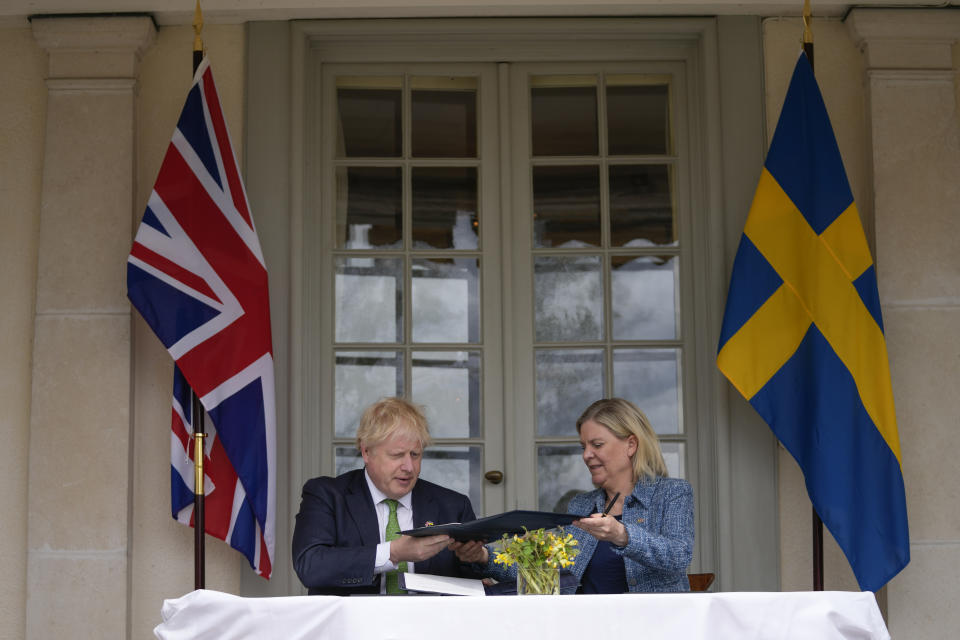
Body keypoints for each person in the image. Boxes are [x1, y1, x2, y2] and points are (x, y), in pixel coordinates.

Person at [459, 398, 693, 593]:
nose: (586, 455)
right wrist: (483, 557)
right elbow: (544, 572)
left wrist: (622, 535)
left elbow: (679, 556)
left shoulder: (671, 494)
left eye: (597, 445)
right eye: (584, 447)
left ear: (631, 445)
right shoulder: (581, 505)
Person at [292, 397, 479, 595]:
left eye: (415, 455)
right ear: (366, 452)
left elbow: (474, 584)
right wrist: (393, 553)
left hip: (430, 623)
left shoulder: (453, 506)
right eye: (397, 455)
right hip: (354, 623)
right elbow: (310, 566)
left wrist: (477, 558)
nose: (408, 467)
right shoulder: (327, 496)